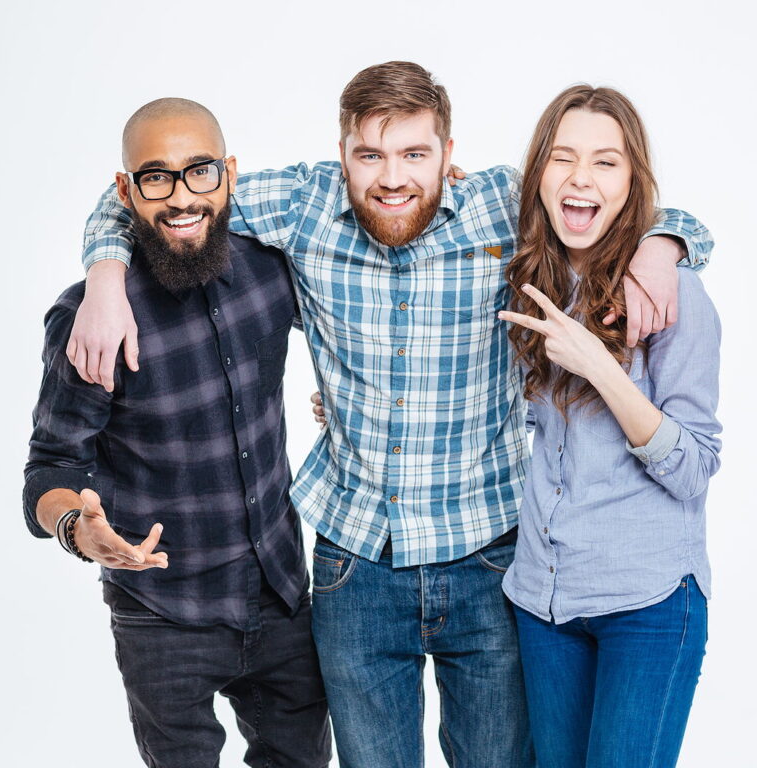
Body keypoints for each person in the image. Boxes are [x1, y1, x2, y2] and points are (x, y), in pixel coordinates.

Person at [65, 63, 712, 768]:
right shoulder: (301, 204)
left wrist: (666, 243)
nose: (392, 177)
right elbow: (159, 189)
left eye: (414, 154)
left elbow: (613, 202)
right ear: (340, 154)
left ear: (448, 152)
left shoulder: (503, 203)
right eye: (370, 154)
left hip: (489, 557)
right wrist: (104, 277)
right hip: (357, 567)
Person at [23, 98, 331, 768]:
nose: (181, 196)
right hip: (162, 616)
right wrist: (80, 528)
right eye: (157, 178)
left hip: (281, 595)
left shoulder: (271, 270)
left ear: (230, 176)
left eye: (200, 172)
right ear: (126, 191)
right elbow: (50, 468)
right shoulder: (91, 318)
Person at [498, 86, 720, 768]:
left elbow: (694, 467)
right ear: (538, 174)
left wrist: (605, 370)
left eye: (606, 162)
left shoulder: (672, 293)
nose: (580, 178)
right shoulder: (526, 277)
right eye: (562, 158)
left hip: (648, 602)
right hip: (543, 599)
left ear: (632, 181)